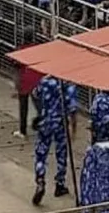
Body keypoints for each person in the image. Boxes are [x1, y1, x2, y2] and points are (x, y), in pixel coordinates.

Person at [31, 74, 77, 205]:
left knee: (41, 153)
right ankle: (60, 184)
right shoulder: (68, 85)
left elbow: (35, 94)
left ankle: (40, 180)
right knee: (61, 153)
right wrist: (73, 130)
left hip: (45, 122)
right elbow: (73, 109)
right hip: (60, 123)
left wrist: (42, 111)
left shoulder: (45, 81)